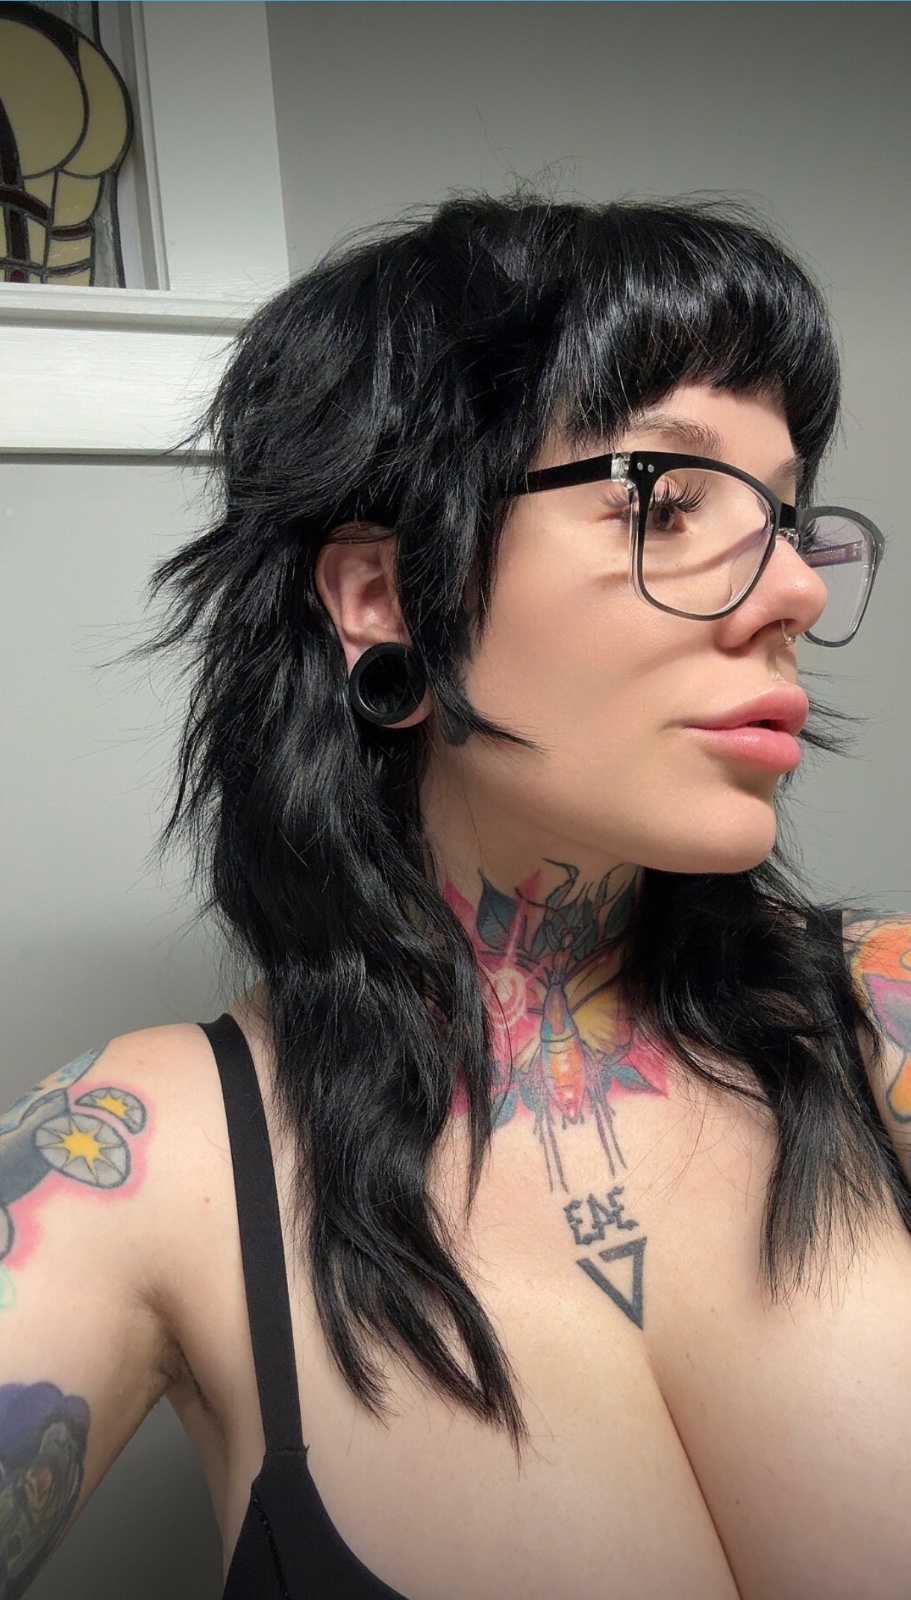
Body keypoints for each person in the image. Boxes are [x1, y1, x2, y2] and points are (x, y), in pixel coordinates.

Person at [2, 189, 910, 1600]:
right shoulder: (148, 1159)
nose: (795, 586)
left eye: (786, 517)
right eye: (671, 501)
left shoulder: (886, 1019)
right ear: (384, 595)